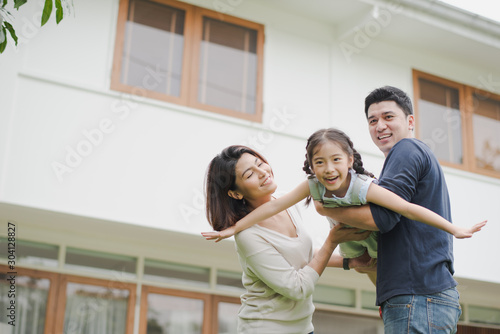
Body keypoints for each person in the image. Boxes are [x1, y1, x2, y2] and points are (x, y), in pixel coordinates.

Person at [202, 129, 486, 286]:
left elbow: (407, 208)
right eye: (250, 174)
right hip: (345, 246)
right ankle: (386, 303)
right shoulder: (311, 186)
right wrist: (233, 229)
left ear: (350, 159)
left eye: (259, 162)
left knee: (382, 264)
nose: (329, 169)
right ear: (311, 165)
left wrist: (453, 228)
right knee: (376, 274)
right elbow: (268, 212)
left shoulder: (362, 186)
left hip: (368, 238)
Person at [312, 86, 482, 333]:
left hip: (418, 296)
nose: (380, 125)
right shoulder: (412, 155)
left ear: (410, 121)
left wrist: (326, 210)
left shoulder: (406, 149)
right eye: (373, 120)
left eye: (388, 117)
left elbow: (384, 218)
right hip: (424, 297)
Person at [203, 145, 371, 334]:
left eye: (260, 163)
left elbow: (302, 257)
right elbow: (297, 288)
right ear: (235, 193)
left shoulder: (285, 203)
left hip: (303, 328)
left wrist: (350, 261)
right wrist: (332, 241)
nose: (262, 172)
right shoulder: (248, 235)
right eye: (249, 174)